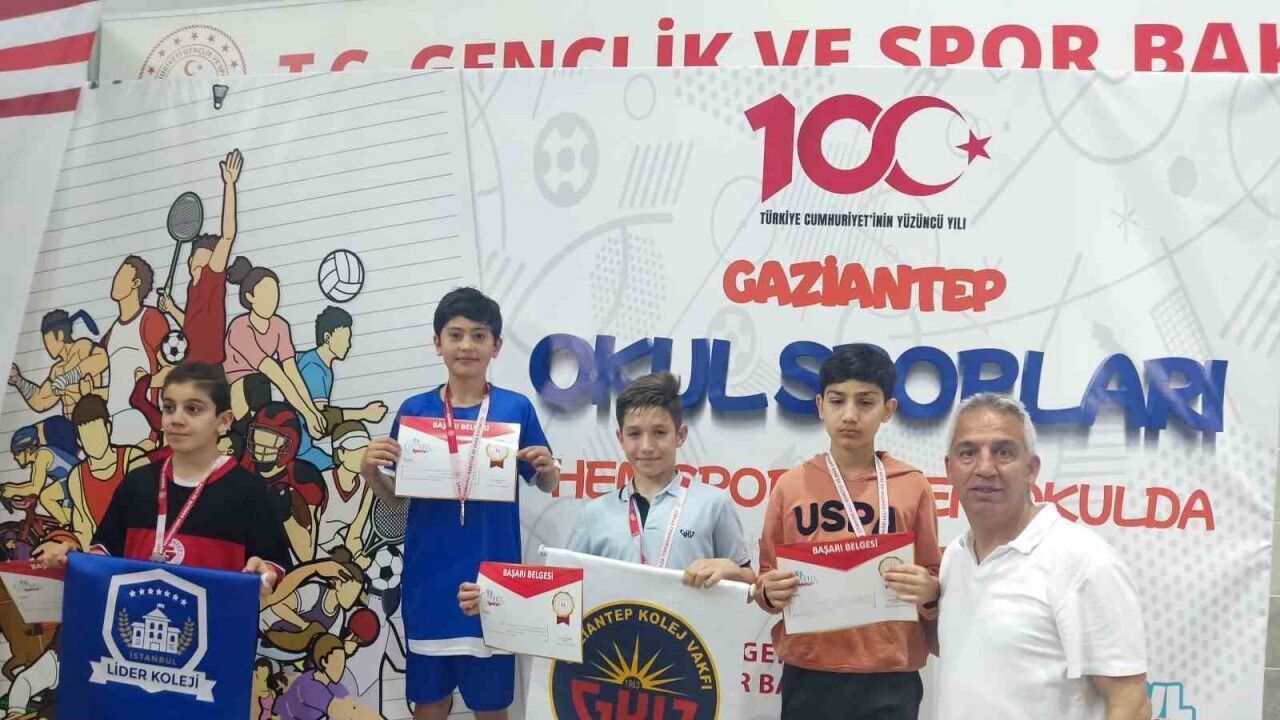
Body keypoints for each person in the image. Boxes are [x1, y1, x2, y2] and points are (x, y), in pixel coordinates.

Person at [359, 287, 560, 720]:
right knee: (429, 702)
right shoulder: (415, 410)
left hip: (492, 579)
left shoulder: (515, 408)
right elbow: (396, 498)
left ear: (496, 346)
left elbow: (545, 483)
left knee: (492, 705)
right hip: (429, 579)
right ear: (438, 343)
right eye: (455, 335)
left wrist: (548, 469)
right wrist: (371, 472)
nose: (466, 345)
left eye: (479, 335)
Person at [934, 393, 1150, 720]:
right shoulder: (955, 556)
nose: (985, 467)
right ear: (949, 469)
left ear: (1031, 469)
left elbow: (1131, 702)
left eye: (1003, 452)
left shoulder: (1083, 561)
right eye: (968, 453)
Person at [754, 344, 942, 720]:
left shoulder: (912, 485)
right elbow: (766, 580)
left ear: (888, 409)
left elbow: (933, 575)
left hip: (890, 672)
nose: (850, 415)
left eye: (866, 402)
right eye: (838, 401)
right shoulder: (791, 486)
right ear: (820, 406)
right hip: (811, 669)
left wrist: (929, 592)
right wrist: (769, 593)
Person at [462, 372, 752, 613]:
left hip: (692, 655)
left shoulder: (713, 504)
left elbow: (752, 587)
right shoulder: (595, 513)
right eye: (635, 434)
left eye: (660, 432)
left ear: (681, 435)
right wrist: (493, 600)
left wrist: (735, 572)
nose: (647, 446)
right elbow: (561, 592)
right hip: (611, 656)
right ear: (620, 438)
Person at [35, 362, 291, 596]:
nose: (176, 419)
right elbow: (103, 554)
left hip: (214, 627)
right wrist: (71, 558)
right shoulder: (136, 484)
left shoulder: (249, 491)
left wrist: (265, 572)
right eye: (169, 408)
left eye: (193, 409)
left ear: (223, 422)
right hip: (133, 625)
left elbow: (274, 564)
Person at [223, 256, 327, 438]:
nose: (272, 300)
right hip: (237, 391)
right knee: (258, 381)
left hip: (262, 388)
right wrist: (307, 414)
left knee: (266, 387)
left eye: (275, 293)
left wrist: (313, 411)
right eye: (266, 294)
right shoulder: (240, 328)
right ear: (250, 297)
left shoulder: (280, 326)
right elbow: (275, 373)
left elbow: (292, 372)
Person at [156, 149, 242, 366]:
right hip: (191, 364)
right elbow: (191, 326)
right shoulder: (193, 287)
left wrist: (229, 185)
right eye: (199, 261)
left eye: (209, 261)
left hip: (210, 367)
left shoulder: (211, 277)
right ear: (189, 261)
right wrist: (171, 307)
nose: (203, 265)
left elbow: (228, 235)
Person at [295, 306, 387, 471]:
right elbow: (322, 421)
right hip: (299, 451)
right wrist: (364, 414)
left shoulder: (320, 365)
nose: (349, 345)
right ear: (327, 337)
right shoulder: (314, 368)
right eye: (345, 338)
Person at [65, 394, 148, 549]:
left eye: (97, 433)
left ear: (108, 428)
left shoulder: (133, 460)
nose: (94, 442)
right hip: (103, 556)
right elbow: (84, 529)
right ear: (79, 441)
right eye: (87, 437)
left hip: (137, 551)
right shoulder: (77, 477)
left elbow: (148, 517)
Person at [102, 255, 170, 443]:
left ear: (136, 283)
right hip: (114, 423)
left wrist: (146, 382)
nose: (115, 281)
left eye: (121, 276)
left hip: (142, 422)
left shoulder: (151, 319)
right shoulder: (111, 333)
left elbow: (171, 370)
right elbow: (116, 384)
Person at [8, 309, 108, 420]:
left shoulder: (81, 347)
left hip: (93, 421)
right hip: (71, 425)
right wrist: (18, 381)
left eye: (47, 340)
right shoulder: (57, 370)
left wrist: (68, 378)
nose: (46, 346)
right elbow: (41, 401)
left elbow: (102, 358)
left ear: (60, 335)